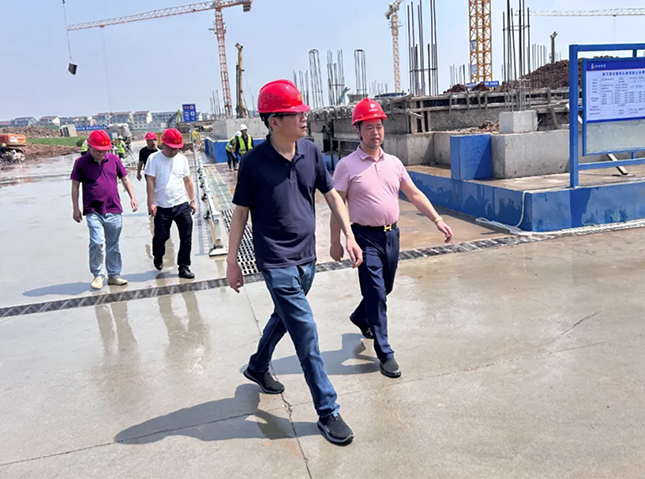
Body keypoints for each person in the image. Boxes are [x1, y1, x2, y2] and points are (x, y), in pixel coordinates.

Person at [226, 79, 362, 446]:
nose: (305, 117)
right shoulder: (253, 162)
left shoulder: (311, 152)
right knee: (306, 331)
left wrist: (348, 235)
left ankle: (257, 366)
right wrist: (232, 261)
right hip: (275, 260)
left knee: (284, 318)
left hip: (306, 258)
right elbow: (240, 214)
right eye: (296, 113)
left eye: (304, 112)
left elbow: (332, 195)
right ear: (274, 121)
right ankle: (327, 410)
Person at [330, 98, 454, 379]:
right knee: (376, 293)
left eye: (379, 126)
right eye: (369, 127)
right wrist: (336, 241)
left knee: (385, 288)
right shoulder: (347, 166)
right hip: (364, 237)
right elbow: (338, 206)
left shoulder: (394, 163)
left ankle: (360, 316)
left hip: (391, 236)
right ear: (357, 130)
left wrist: (437, 219)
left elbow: (414, 194)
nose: (375, 132)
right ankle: (384, 351)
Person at [71, 129, 139, 290]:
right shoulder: (81, 163)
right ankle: (98, 274)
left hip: (113, 208)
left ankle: (114, 275)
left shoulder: (114, 159)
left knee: (113, 244)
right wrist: (75, 208)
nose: (101, 154)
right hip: (93, 209)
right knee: (97, 242)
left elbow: (125, 179)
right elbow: (75, 186)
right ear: (89, 147)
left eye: (104, 151)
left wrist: (133, 197)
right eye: (97, 151)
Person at [145, 128, 196, 280]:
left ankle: (184, 266)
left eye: (177, 149)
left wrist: (192, 200)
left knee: (186, 236)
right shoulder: (154, 159)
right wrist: (151, 203)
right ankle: (158, 255)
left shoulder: (182, 159)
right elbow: (150, 181)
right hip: (162, 206)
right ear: (163, 144)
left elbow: (187, 180)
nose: (174, 152)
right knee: (161, 236)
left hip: (181, 204)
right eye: (171, 148)